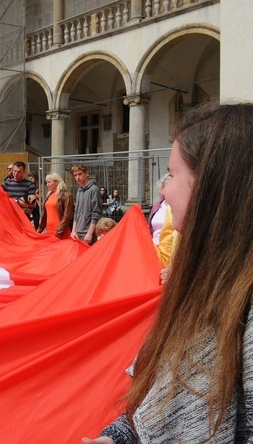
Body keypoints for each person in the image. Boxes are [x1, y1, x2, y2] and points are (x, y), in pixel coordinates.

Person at [83, 103, 253, 443]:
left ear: (214, 188)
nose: (163, 190)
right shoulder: (209, 281)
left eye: (173, 175)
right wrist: (118, 438)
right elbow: (162, 405)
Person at [70, 164, 102, 245]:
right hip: (77, 232)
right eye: (75, 175)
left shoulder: (94, 189)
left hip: (88, 233)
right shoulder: (79, 190)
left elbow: (96, 213)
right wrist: (73, 231)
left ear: (87, 173)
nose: (77, 177)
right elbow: (76, 212)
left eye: (80, 174)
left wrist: (90, 233)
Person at [38, 172, 73, 239]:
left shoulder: (66, 195)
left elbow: (67, 215)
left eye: (49, 182)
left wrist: (59, 231)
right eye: (47, 183)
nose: (47, 185)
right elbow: (45, 215)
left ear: (56, 182)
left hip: (61, 232)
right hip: (49, 231)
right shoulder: (49, 195)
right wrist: (40, 229)